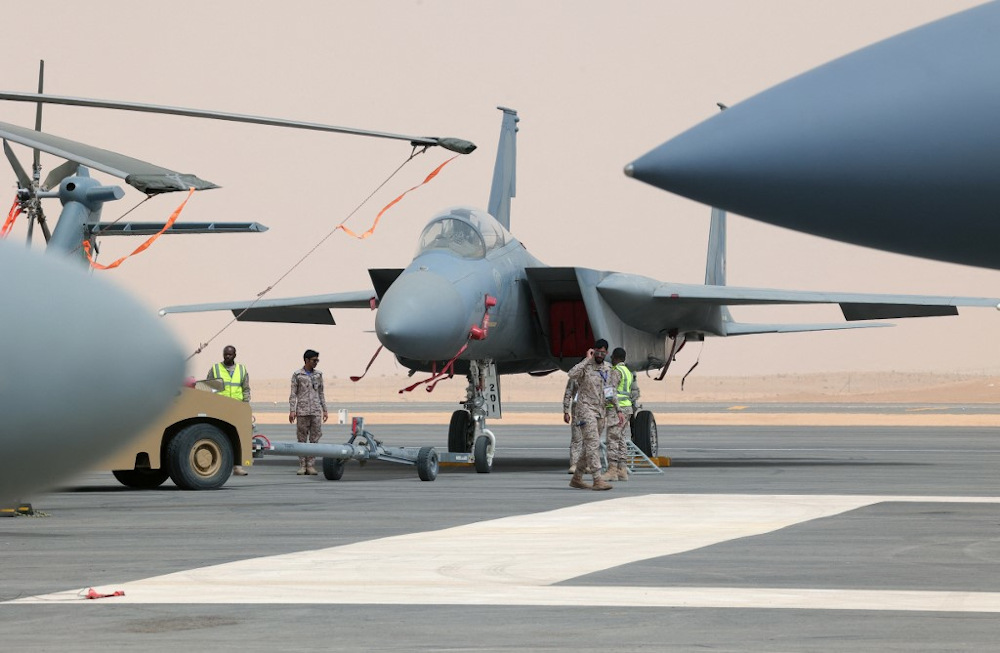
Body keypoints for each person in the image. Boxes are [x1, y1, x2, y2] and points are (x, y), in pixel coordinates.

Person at [565, 339, 624, 491]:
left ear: (607, 353)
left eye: (603, 353)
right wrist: (587, 359)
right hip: (585, 410)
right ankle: (597, 479)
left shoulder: (608, 369)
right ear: (593, 351)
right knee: (593, 444)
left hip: (600, 412)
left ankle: (577, 478)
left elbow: (611, 391)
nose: (600, 355)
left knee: (588, 447)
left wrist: (618, 410)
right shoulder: (586, 367)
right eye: (597, 352)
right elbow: (571, 374)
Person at [207, 345, 250, 476]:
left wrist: (246, 406)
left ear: (235, 355)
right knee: (219, 437)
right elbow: (209, 388)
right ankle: (219, 466)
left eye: (230, 354)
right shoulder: (215, 369)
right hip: (220, 409)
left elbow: (246, 389)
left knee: (237, 438)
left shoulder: (242, 370)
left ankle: (237, 467)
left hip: (237, 408)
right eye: (225, 354)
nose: (227, 356)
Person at [289, 349, 328, 475]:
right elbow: (293, 394)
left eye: (317, 360)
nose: (316, 362)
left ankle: (310, 465)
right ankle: (302, 465)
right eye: (314, 360)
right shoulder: (297, 375)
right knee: (301, 438)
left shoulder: (318, 375)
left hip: (316, 411)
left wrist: (325, 409)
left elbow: (321, 393)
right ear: (306, 360)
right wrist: (292, 410)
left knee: (314, 438)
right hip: (302, 411)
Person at [604, 347, 640, 482]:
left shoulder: (615, 372)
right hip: (627, 408)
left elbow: (610, 391)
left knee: (612, 439)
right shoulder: (628, 372)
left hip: (616, 409)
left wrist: (613, 407)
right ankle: (622, 470)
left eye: (612, 357)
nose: (611, 359)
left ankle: (612, 470)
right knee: (622, 440)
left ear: (616, 358)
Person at [562, 376, 582, 474]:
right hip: (578, 411)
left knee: (591, 439)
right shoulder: (575, 376)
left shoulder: (596, 374)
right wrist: (566, 411)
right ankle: (574, 464)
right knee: (576, 439)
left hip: (592, 411)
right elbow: (568, 393)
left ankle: (586, 464)